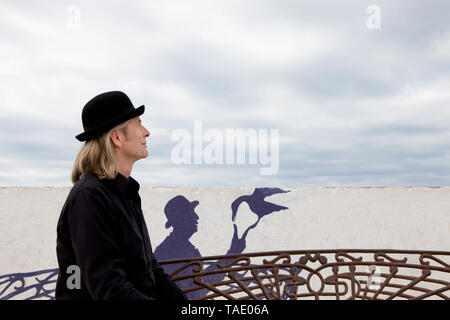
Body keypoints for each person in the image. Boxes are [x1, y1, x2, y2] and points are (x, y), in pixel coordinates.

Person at [55, 91, 187, 300]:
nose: (147, 132)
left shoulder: (126, 193)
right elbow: (109, 288)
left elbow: (150, 268)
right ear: (117, 137)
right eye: (138, 124)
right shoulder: (89, 197)